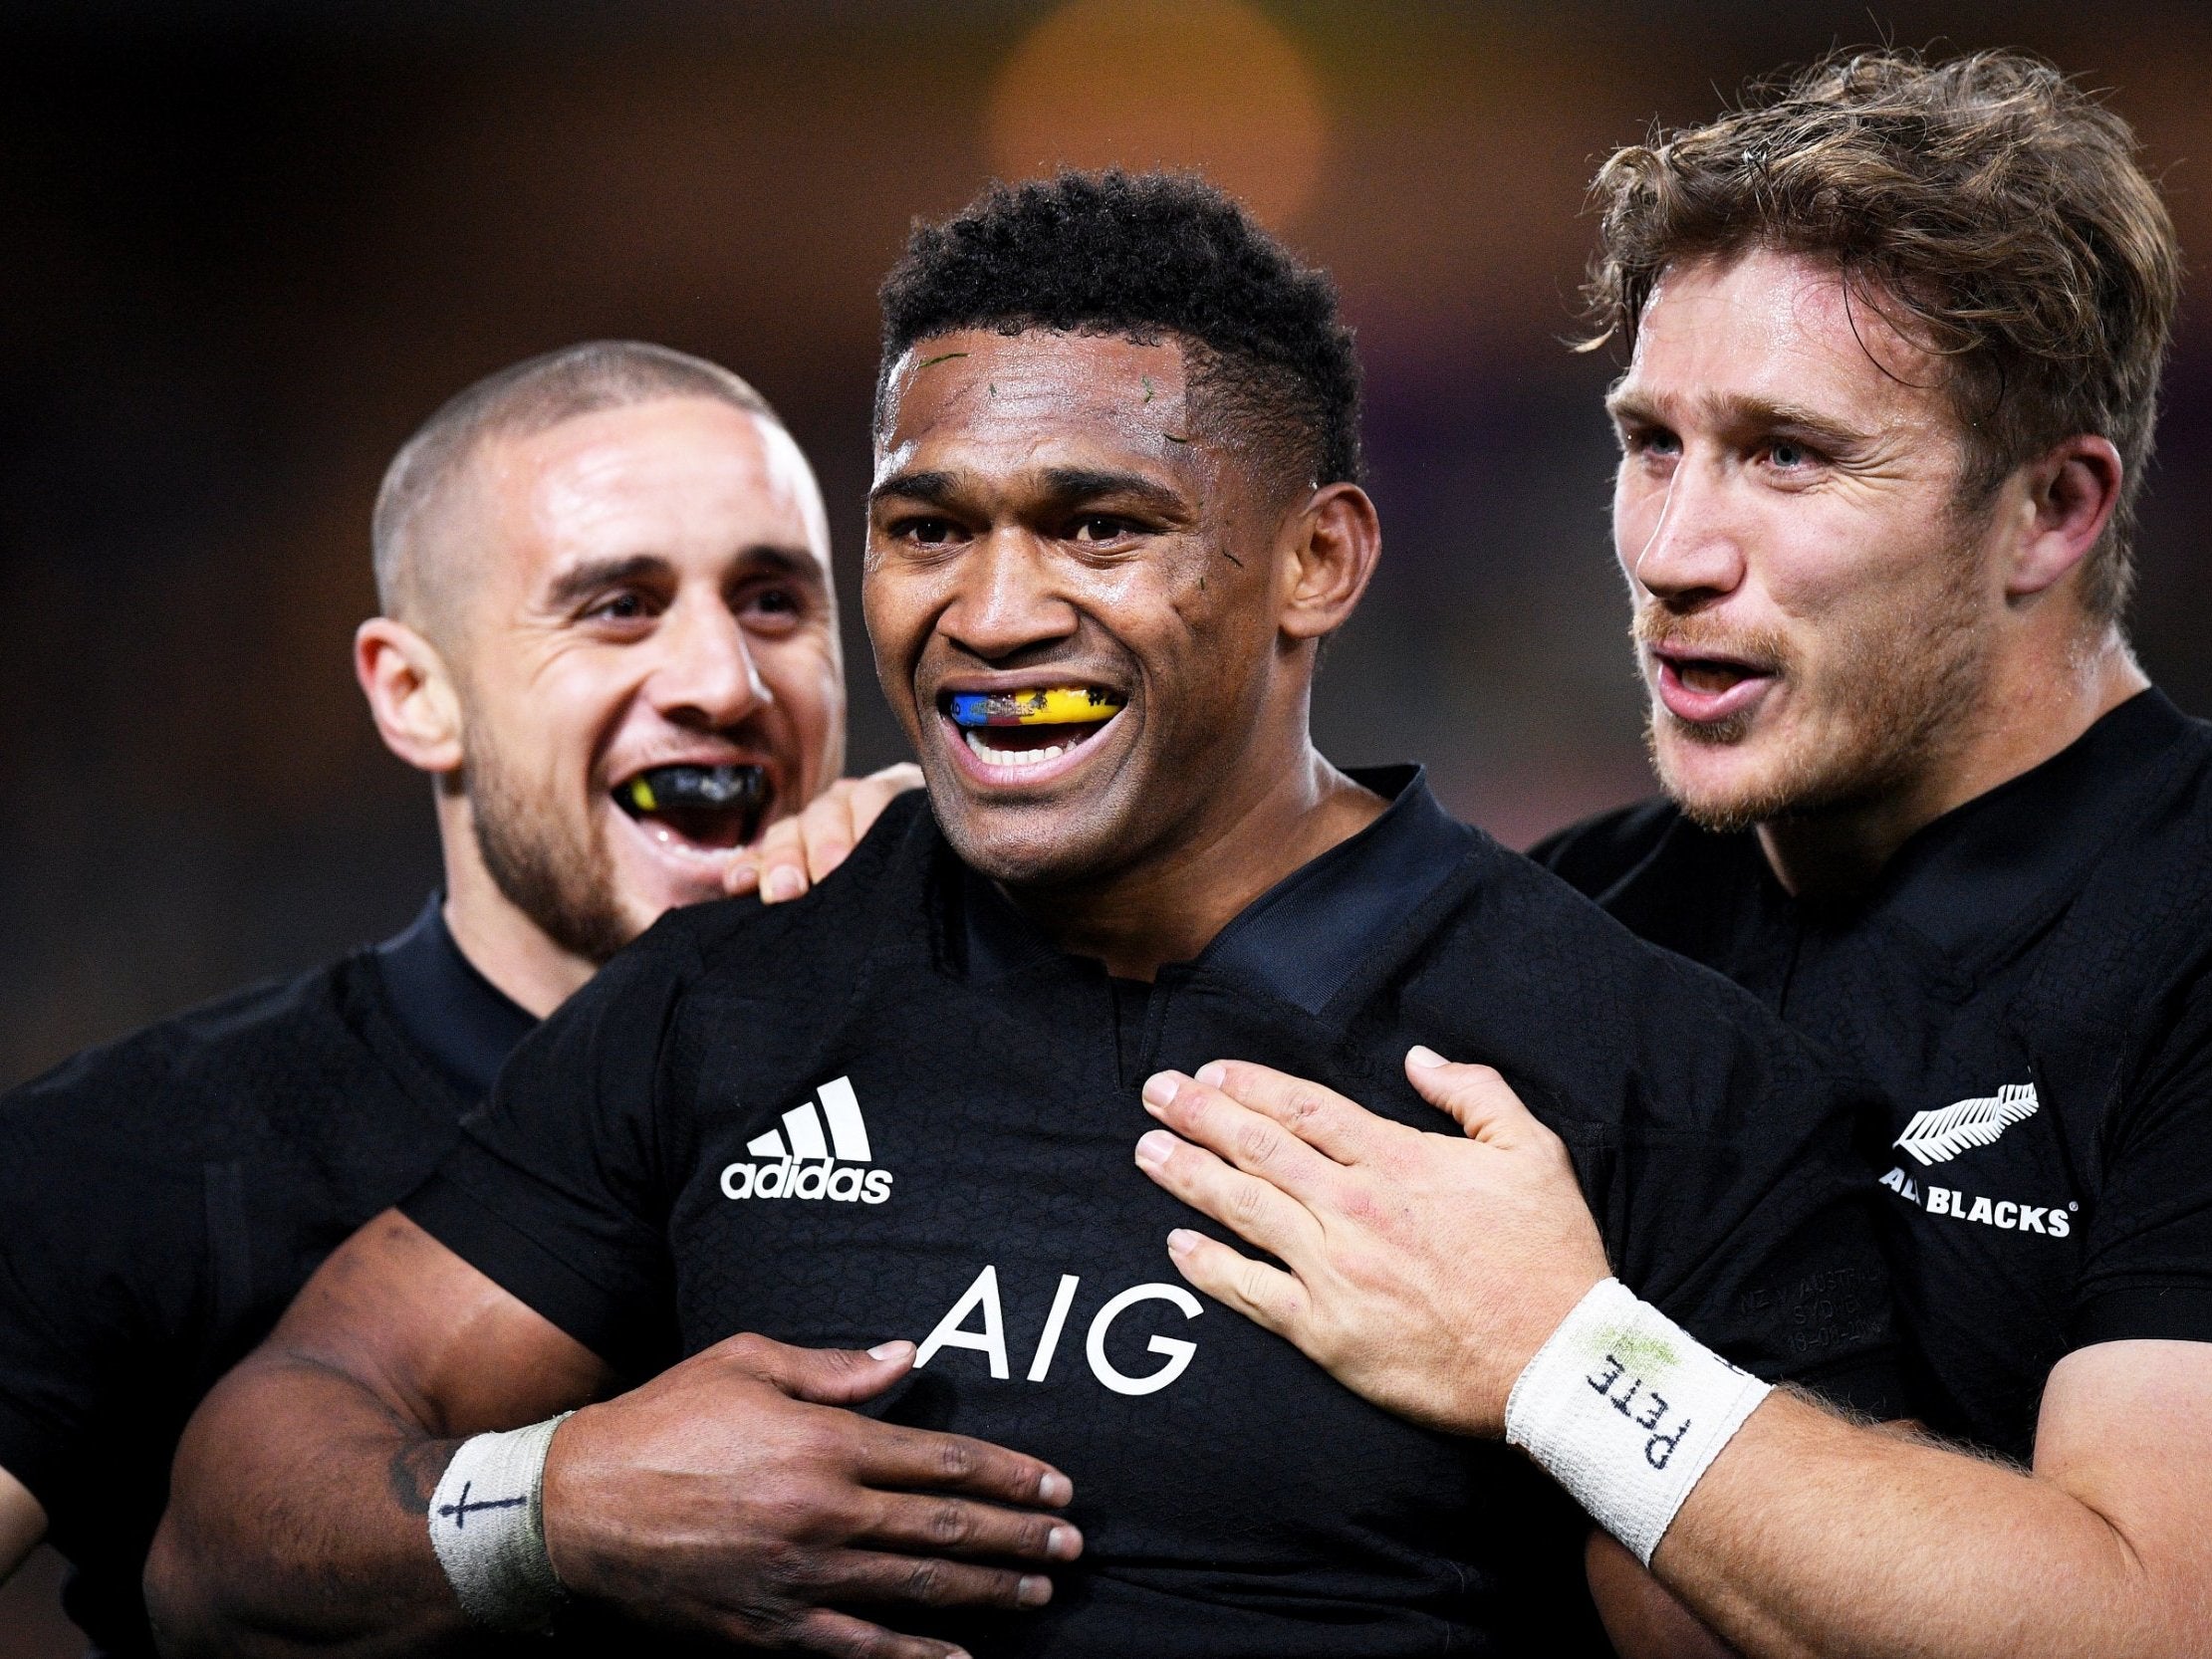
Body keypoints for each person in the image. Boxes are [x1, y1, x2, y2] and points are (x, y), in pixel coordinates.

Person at [149, 169, 1900, 1659]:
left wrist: (1562, 1372)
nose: (990, 612)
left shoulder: (1641, 1068)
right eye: (927, 527)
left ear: (1319, 562)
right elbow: (228, 1528)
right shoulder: (736, 992)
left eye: (1098, 526)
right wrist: (556, 1500)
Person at [1132, 49, 2212, 1659]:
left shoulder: (2183, 930)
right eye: (1652, 443)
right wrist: (935, 857)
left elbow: (2149, 1616)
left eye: (1787, 453)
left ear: (2050, 510)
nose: (1672, 553)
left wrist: (1566, 1358)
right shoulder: (1577, 914)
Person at [0, 341, 919, 1658]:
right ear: (415, 693)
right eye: (617, 605)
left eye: (775, 601)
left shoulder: (1010, 1044)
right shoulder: (122, 1158)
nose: (725, 680)